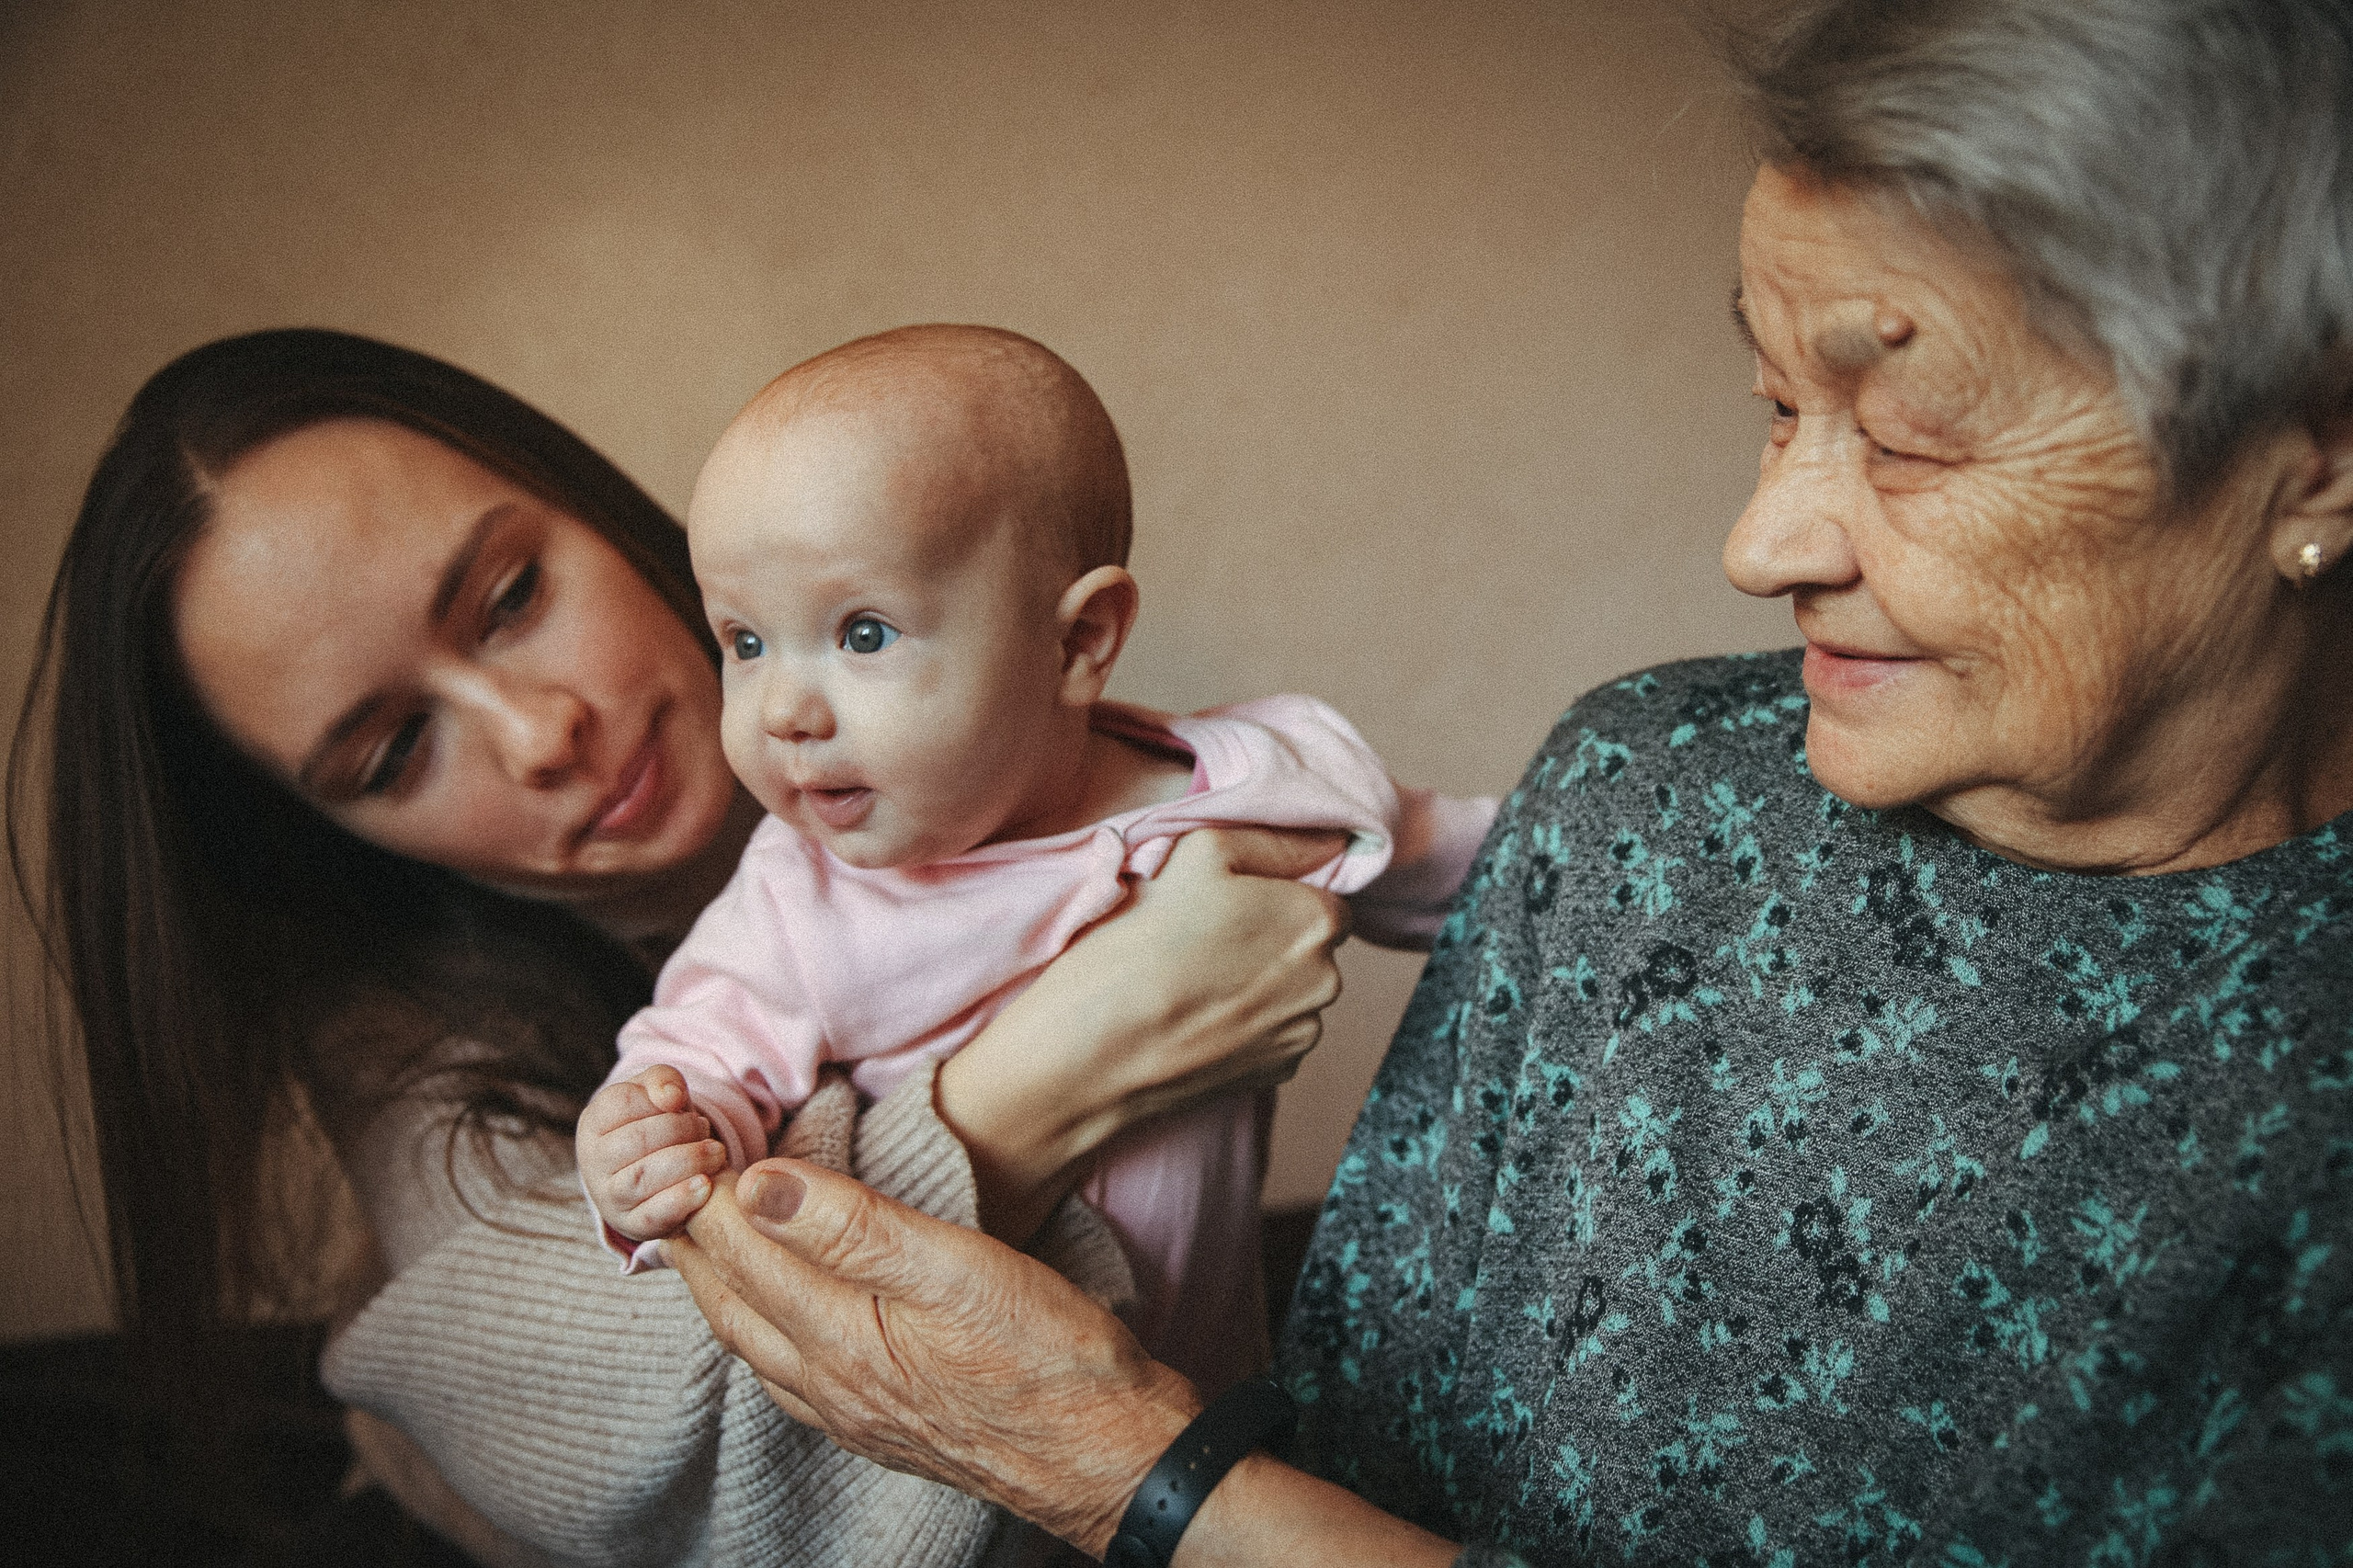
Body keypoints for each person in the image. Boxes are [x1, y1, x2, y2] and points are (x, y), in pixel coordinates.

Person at [668, 1, 2353, 1562]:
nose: (1759, 546)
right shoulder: (1648, 790)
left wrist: (1126, 1465)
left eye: (1906, 439)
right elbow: (1358, 1430)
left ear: (2318, 456)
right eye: (1774, 408)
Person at [11, 325, 1351, 1565]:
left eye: (513, 595)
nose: (541, 732)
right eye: (395, 751)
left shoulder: (1011, 758)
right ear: (336, 841)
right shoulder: (411, 1052)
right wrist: (1051, 1075)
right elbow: (700, 1452)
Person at [581, 324, 1495, 1395]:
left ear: (1078, 641)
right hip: (976, 1440)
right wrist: (656, 1137)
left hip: (1221, 1389)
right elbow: (699, 1061)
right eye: (744, 641)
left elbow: (1495, 872)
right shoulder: (800, 902)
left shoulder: (1253, 778)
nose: (783, 708)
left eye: (863, 633)